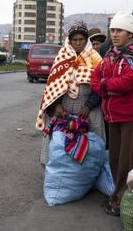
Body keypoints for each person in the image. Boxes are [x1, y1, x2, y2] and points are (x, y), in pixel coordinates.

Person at [91, 12, 133, 216]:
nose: (114, 34)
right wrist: (105, 86)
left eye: (119, 30)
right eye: (112, 30)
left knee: (128, 162)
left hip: (130, 116)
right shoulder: (110, 55)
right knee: (115, 159)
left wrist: (105, 85)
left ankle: (122, 202)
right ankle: (119, 196)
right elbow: (96, 78)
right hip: (112, 116)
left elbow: (126, 82)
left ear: (130, 33)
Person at [37, 21, 105, 165]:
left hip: (88, 108)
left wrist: (88, 106)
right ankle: (58, 171)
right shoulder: (62, 57)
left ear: (87, 41)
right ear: (70, 40)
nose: (78, 43)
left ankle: (88, 175)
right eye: (75, 40)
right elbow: (53, 86)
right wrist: (57, 106)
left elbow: (100, 87)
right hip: (64, 107)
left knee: (91, 143)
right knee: (59, 143)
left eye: (81, 39)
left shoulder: (96, 59)